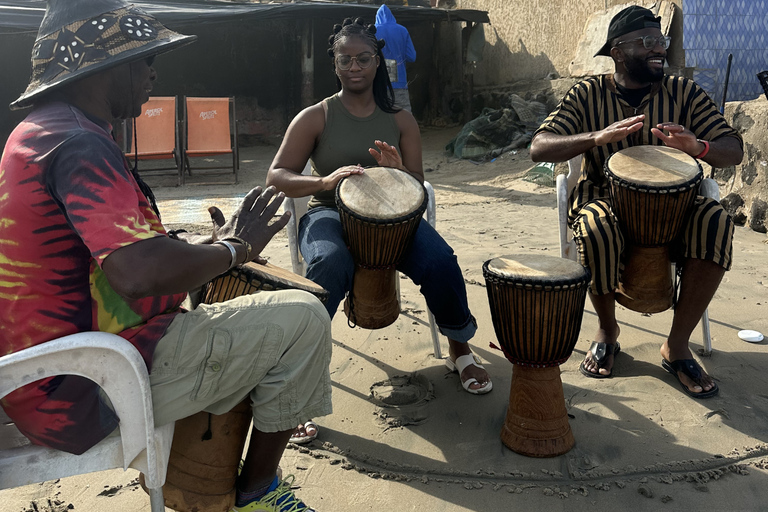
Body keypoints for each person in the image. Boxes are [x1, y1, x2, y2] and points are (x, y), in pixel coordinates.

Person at [0, 2, 329, 511]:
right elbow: (134, 273)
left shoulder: (42, 131)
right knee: (304, 320)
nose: (153, 71)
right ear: (104, 68)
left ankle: (196, 480)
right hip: (86, 383)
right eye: (144, 58)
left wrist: (199, 253)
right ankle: (257, 493)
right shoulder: (80, 143)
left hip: (43, 377)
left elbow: (114, 254)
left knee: (230, 316)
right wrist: (233, 248)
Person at [266, 17, 491, 440]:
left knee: (442, 261)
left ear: (377, 62)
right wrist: (323, 182)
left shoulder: (401, 120)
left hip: (393, 218)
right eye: (345, 59)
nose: (354, 66)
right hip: (329, 213)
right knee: (328, 265)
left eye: (363, 58)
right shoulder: (315, 117)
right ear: (335, 64)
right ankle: (298, 379)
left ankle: (459, 350)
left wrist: (399, 172)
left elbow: (419, 187)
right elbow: (276, 175)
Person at [530, 6, 743, 399]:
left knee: (716, 220)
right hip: (604, 197)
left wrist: (700, 146)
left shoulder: (685, 93)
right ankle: (608, 331)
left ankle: (677, 346)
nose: (658, 49)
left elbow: (733, 148)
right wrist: (594, 138)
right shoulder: (587, 94)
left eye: (660, 41)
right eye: (647, 42)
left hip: (679, 206)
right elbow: (539, 147)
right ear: (617, 50)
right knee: (594, 229)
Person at [374, 4, 416, 112]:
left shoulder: (373, 31)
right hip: (400, 83)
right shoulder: (402, 30)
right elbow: (412, 57)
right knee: (404, 118)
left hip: (378, 84)